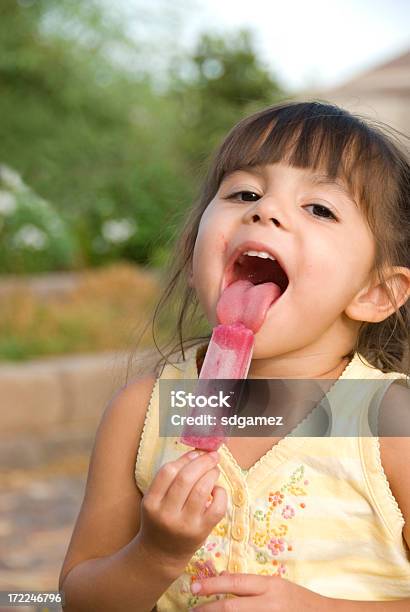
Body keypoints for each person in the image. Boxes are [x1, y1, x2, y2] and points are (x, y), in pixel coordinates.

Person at [59, 100, 410, 611]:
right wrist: (155, 554)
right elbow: (78, 599)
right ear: (194, 247)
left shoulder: (389, 421)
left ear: (374, 293)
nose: (264, 210)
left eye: (319, 208)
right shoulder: (144, 412)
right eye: (245, 192)